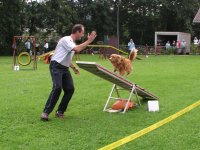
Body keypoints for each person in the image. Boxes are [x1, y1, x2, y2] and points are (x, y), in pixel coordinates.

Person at [41, 24, 96, 121]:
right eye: (82, 33)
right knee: (57, 87)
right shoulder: (66, 40)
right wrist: (89, 40)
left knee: (70, 89)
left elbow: (66, 57)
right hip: (56, 66)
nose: (82, 35)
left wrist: (74, 67)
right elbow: (77, 49)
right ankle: (45, 112)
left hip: (65, 68)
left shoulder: (72, 44)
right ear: (77, 32)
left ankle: (60, 112)